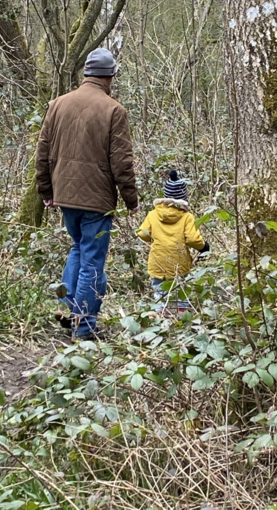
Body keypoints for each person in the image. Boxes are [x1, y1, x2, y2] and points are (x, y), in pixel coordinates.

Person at [36, 47, 138, 341]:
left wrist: (47, 191)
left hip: (65, 196)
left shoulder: (57, 104)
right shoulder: (114, 110)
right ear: (110, 77)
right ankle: (83, 326)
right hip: (97, 201)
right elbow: (122, 163)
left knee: (79, 248)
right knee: (92, 259)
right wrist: (131, 199)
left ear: (86, 74)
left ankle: (65, 309)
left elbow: (42, 154)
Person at [137, 170, 209, 312]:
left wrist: (154, 236)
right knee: (180, 292)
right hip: (179, 262)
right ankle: (180, 319)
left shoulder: (153, 214)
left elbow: (142, 233)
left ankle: (162, 319)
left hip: (158, 262)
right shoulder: (186, 216)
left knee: (160, 293)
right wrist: (204, 247)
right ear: (183, 198)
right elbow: (193, 239)